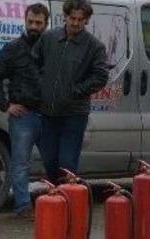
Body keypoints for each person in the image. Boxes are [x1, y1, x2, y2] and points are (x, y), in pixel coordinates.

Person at [32, 0, 107, 183]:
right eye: (72, 18)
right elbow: (33, 63)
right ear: (65, 16)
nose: (75, 23)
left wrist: (74, 92)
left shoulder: (94, 46)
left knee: (67, 165)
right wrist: (42, 86)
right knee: (50, 162)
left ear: (86, 21)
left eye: (80, 19)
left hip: (74, 114)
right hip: (47, 112)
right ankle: (55, 200)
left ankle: (67, 203)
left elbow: (100, 77)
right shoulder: (49, 38)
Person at [0, 3, 49, 219]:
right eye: (30, 21)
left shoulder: (52, 48)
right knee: (20, 163)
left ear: (46, 24)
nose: (33, 26)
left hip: (50, 114)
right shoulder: (13, 49)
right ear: (25, 20)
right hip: (23, 115)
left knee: (54, 161)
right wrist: (6, 105)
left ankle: (55, 204)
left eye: (38, 23)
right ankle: (23, 207)